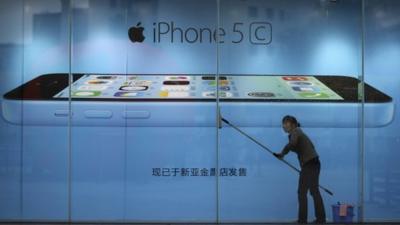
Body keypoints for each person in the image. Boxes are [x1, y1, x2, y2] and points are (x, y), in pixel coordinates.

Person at [273, 115, 326, 224]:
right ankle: (320, 219)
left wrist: (282, 154)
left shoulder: (296, 131)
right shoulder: (298, 133)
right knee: (313, 191)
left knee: (302, 192)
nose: (283, 126)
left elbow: (292, 145)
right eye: (283, 123)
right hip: (313, 164)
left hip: (310, 164)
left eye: (286, 123)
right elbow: (303, 148)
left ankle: (303, 220)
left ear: (293, 124)